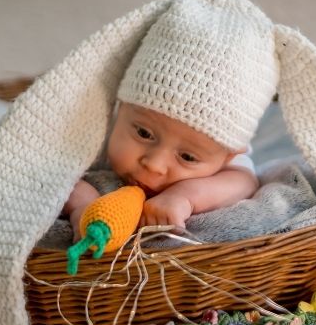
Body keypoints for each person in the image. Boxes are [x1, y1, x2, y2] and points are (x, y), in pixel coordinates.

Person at [62, 99, 259, 234]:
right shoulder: (94, 132)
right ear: (120, 107)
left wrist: (184, 196)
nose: (154, 165)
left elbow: (245, 181)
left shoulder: (224, 147)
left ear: (228, 157)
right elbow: (44, 168)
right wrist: (80, 199)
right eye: (144, 133)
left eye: (187, 157)